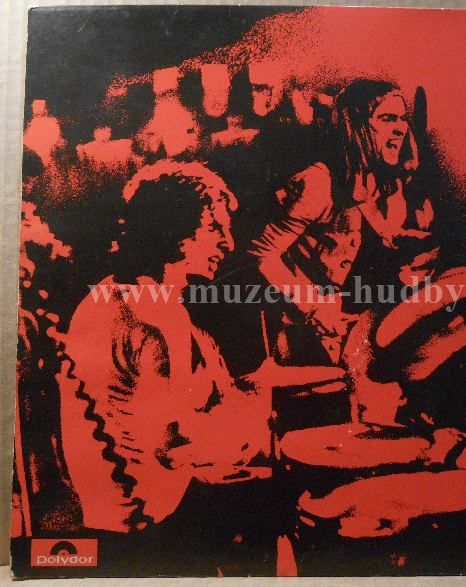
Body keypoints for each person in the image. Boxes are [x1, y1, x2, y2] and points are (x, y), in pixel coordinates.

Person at [57, 160, 271, 534]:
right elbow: (176, 446)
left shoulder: (113, 292)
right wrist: (256, 421)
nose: (229, 242)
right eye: (214, 228)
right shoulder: (154, 317)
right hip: (149, 517)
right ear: (173, 227)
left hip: (114, 505)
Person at [251, 79, 433, 366]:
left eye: (402, 119)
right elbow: (261, 255)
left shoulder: (380, 183)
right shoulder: (318, 183)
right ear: (356, 125)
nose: (400, 129)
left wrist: (403, 246)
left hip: (346, 329)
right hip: (298, 335)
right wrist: (312, 306)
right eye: (386, 119)